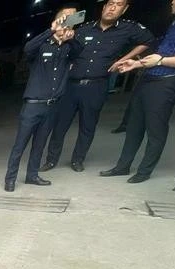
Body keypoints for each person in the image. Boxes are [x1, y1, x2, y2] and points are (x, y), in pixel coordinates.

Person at [40, 0, 154, 173]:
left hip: (97, 86)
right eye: (110, 4)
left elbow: (148, 41)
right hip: (71, 86)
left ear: (124, 10)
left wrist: (123, 60)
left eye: (119, 5)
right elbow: (67, 47)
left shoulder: (128, 28)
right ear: (103, 7)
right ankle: (51, 160)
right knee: (60, 125)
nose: (113, 8)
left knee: (88, 125)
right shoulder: (84, 28)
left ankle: (78, 160)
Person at [100, 0, 175, 183]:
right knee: (134, 124)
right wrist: (136, 63)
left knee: (155, 127)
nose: (171, 1)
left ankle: (144, 171)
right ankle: (122, 166)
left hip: (167, 81)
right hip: (149, 76)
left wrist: (161, 61)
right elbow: (161, 52)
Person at [4, 7, 84, 192]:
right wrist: (52, 30)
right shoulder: (42, 45)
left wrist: (70, 38)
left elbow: (79, 51)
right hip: (32, 105)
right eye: (64, 23)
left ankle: (32, 175)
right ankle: (10, 178)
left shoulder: (68, 48)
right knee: (20, 145)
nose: (65, 28)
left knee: (39, 144)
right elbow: (27, 48)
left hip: (52, 107)